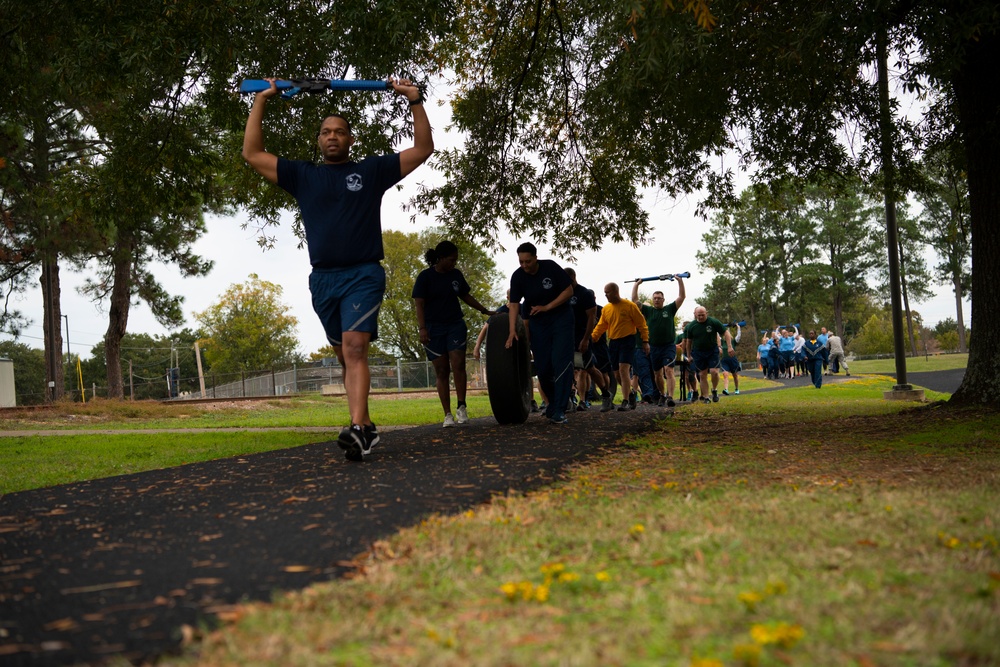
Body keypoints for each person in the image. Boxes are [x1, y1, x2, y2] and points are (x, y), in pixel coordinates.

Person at [242, 77, 433, 462]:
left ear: (350, 140)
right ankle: (364, 426)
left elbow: (423, 149)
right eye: (326, 132)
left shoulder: (372, 172)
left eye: (340, 132)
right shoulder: (302, 176)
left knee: (355, 347)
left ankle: (359, 427)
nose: (333, 137)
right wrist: (262, 99)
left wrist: (414, 100)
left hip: (363, 273)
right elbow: (252, 153)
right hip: (323, 280)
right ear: (319, 140)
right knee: (347, 357)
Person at [413, 240, 495, 428]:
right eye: (451, 260)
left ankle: (461, 406)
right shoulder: (425, 277)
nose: (454, 263)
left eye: (456, 260)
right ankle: (447, 414)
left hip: (455, 325)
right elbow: (419, 304)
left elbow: (465, 296)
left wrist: (484, 310)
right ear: (440, 258)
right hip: (433, 328)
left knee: (458, 364)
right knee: (442, 370)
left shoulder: (455, 275)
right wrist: (422, 328)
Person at [506, 243, 575, 425]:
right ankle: (553, 403)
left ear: (536, 258)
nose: (525, 265)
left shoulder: (550, 267)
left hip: (561, 319)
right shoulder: (518, 276)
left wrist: (547, 306)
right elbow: (514, 304)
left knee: (561, 362)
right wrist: (512, 330)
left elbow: (569, 291)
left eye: (528, 261)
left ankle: (560, 409)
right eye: (521, 262)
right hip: (538, 322)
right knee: (543, 368)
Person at [591, 283, 650, 411]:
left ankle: (625, 401)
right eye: (604, 292)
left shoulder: (630, 306)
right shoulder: (606, 309)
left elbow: (642, 324)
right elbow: (601, 326)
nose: (606, 295)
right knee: (617, 374)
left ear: (615, 291)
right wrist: (592, 338)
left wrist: (645, 341)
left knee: (624, 370)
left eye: (608, 292)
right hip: (613, 342)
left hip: (627, 340)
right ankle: (630, 395)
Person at [565, 268, 615, 412]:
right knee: (567, 369)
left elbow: (591, 319)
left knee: (589, 369)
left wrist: (586, 339)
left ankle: (606, 395)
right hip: (566, 338)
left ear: (573, 277)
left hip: (582, 338)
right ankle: (569, 400)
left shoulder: (584, 294)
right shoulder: (563, 293)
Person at [631, 275, 685, 407]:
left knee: (669, 370)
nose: (656, 300)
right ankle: (662, 395)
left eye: (659, 298)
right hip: (654, 347)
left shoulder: (670, 309)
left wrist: (680, 281)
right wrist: (637, 285)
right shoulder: (648, 311)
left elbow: (681, 297)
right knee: (657, 374)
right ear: (652, 300)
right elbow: (635, 300)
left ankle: (670, 397)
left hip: (668, 346)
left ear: (663, 300)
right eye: (655, 298)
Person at [683, 306, 734, 403]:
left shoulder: (713, 322)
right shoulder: (691, 326)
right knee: (702, 374)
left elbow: (726, 333)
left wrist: (729, 346)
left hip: (712, 350)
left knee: (714, 372)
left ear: (707, 313)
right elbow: (688, 342)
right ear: (695, 314)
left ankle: (714, 390)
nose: (701, 317)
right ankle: (706, 397)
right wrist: (689, 356)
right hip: (698, 352)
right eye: (699, 315)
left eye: (703, 315)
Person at [720, 322, 742, 395]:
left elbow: (738, 336)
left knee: (735, 375)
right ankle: (726, 389)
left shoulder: (733, 341)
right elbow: (716, 334)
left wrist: (738, 327)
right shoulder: (722, 342)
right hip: (724, 360)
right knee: (725, 374)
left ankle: (736, 389)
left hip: (733, 360)